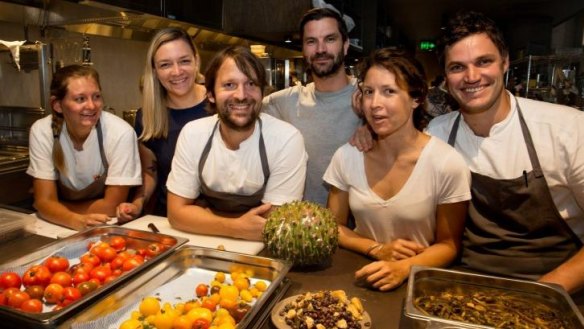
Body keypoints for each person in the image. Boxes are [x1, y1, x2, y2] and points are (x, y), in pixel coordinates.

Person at [426, 11, 584, 294]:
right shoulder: (437, 134)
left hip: (558, 288)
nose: (471, 77)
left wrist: (537, 295)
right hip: (465, 285)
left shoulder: (567, 129)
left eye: (483, 62)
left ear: (505, 62)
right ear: (446, 77)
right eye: (457, 67)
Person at [324, 48, 471, 291]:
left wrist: (405, 267)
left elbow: (449, 245)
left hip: (418, 283)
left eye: (389, 92)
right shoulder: (347, 156)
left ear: (416, 98)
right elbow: (333, 226)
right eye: (368, 92)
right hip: (357, 277)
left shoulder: (446, 163)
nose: (375, 104)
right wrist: (377, 249)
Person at [166, 46, 308, 241]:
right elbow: (175, 214)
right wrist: (236, 227)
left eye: (251, 83)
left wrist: (203, 215)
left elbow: (274, 223)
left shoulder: (286, 139)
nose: (241, 95)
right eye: (229, 85)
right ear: (211, 94)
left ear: (262, 92)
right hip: (204, 245)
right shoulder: (193, 134)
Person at [262, 7, 362, 205]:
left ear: (345, 45)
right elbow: (238, 109)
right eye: (311, 41)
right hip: (298, 227)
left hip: (353, 230)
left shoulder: (368, 97)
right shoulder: (283, 102)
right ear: (304, 50)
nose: (321, 49)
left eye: (330, 39)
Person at [27, 64, 141, 230]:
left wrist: (54, 207)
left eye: (96, 97)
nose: (92, 106)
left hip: (105, 224)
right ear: (57, 105)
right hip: (59, 226)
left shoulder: (120, 133)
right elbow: (43, 202)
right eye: (80, 99)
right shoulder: (42, 131)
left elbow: (111, 206)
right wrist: (72, 219)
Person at [116, 27, 210, 221]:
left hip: (219, 219)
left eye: (184, 61)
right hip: (169, 221)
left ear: (196, 61)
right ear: (155, 71)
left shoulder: (218, 104)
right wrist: (137, 203)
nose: (177, 72)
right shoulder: (148, 116)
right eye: (165, 64)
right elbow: (150, 172)